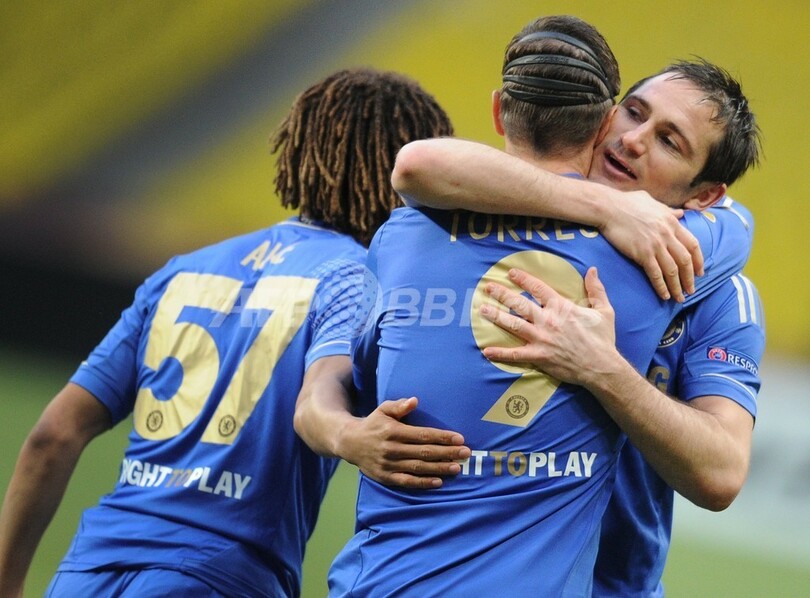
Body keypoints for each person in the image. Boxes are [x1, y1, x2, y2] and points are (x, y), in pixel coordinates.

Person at [315, 16, 754, 597]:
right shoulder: (454, 213)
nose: (633, 140)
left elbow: (722, 471)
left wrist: (604, 371)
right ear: (603, 115)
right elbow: (420, 167)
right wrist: (607, 207)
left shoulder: (705, 280)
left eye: (670, 141)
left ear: (705, 197)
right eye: (634, 112)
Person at [0, 68, 455, 598]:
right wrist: (353, 437)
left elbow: (53, 434)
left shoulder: (182, 271)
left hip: (88, 573)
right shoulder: (355, 279)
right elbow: (319, 396)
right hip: (217, 578)